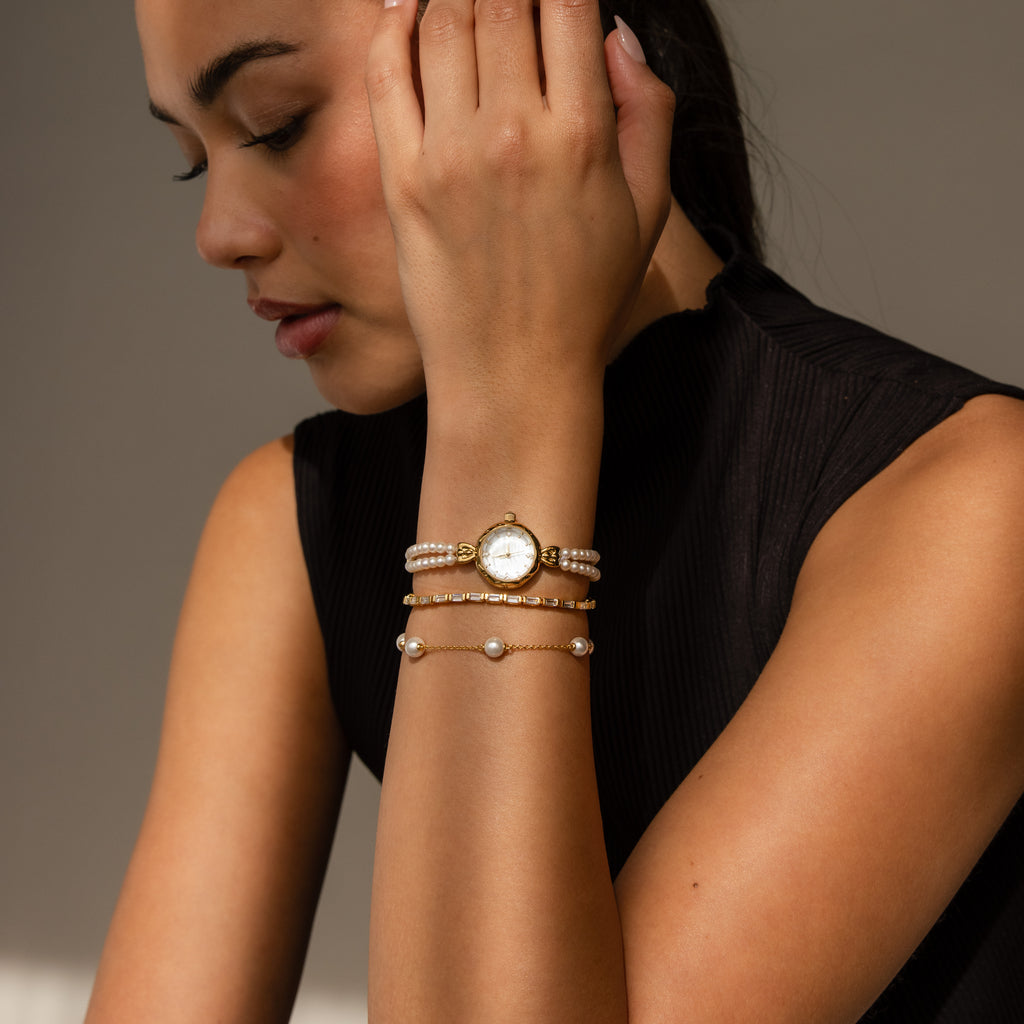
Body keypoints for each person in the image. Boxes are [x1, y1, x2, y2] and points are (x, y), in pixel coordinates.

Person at [87, 0, 1024, 1020]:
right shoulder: (289, 518)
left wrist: (508, 402)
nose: (217, 233)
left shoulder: (974, 505)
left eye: (275, 122)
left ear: (544, 55)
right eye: (193, 157)